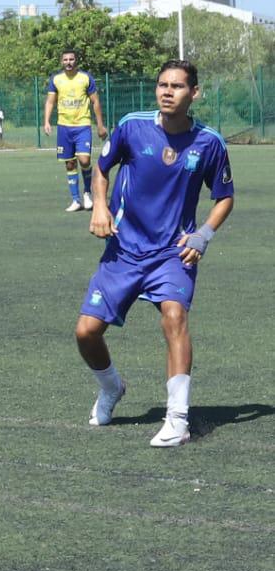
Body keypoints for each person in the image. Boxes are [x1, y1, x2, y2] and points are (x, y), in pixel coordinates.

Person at [75, 60, 234, 448]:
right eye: (162, 84)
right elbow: (101, 169)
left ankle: (177, 419)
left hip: (172, 252)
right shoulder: (132, 126)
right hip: (124, 249)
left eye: (177, 86)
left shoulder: (209, 142)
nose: (167, 91)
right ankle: (111, 387)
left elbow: (225, 197)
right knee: (86, 333)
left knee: (174, 317)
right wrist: (100, 206)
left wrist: (203, 236)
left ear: (194, 93)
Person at [43, 49, 107, 212]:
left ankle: (87, 193)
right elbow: (50, 101)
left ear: (76, 61)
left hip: (82, 125)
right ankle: (75, 200)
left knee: (84, 160)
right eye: (65, 60)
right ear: (61, 62)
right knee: (70, 163)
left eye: (71, 59)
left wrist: (100, 125)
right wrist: (46, 121)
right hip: (64, 127)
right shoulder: (56, 79)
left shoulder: (85, 78)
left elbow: (95, 102)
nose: (68, 62)